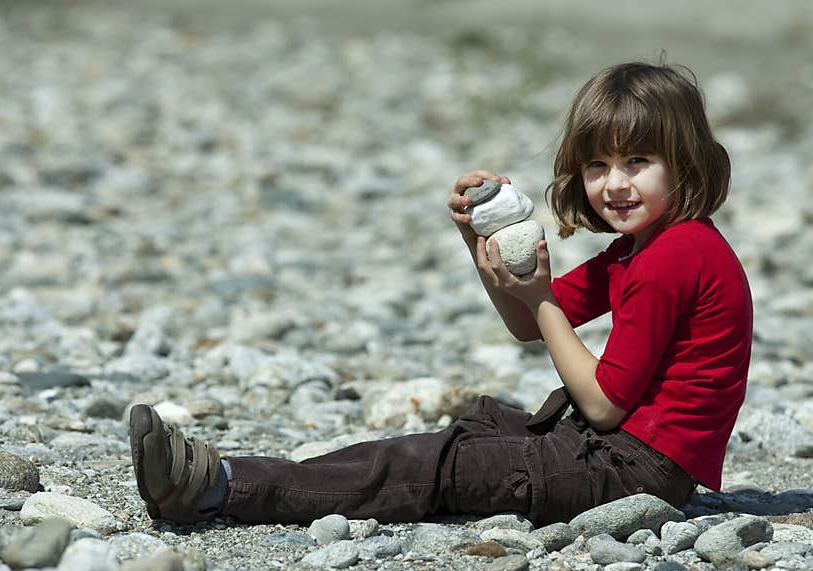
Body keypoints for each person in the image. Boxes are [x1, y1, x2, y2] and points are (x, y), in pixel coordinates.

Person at [128, 60, 753, 527]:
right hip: (619, 455)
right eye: (597, 166)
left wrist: (538, 297)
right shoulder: (646, 245)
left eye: (637, 162)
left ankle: (218, 486)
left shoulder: (674, 256)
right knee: (474, 428)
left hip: (633, 472)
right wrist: (478, 241)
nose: (614, 184)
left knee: (432, 464)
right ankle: (249, 476)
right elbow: (529, 324)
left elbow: (606, 405)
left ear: (686, 162)